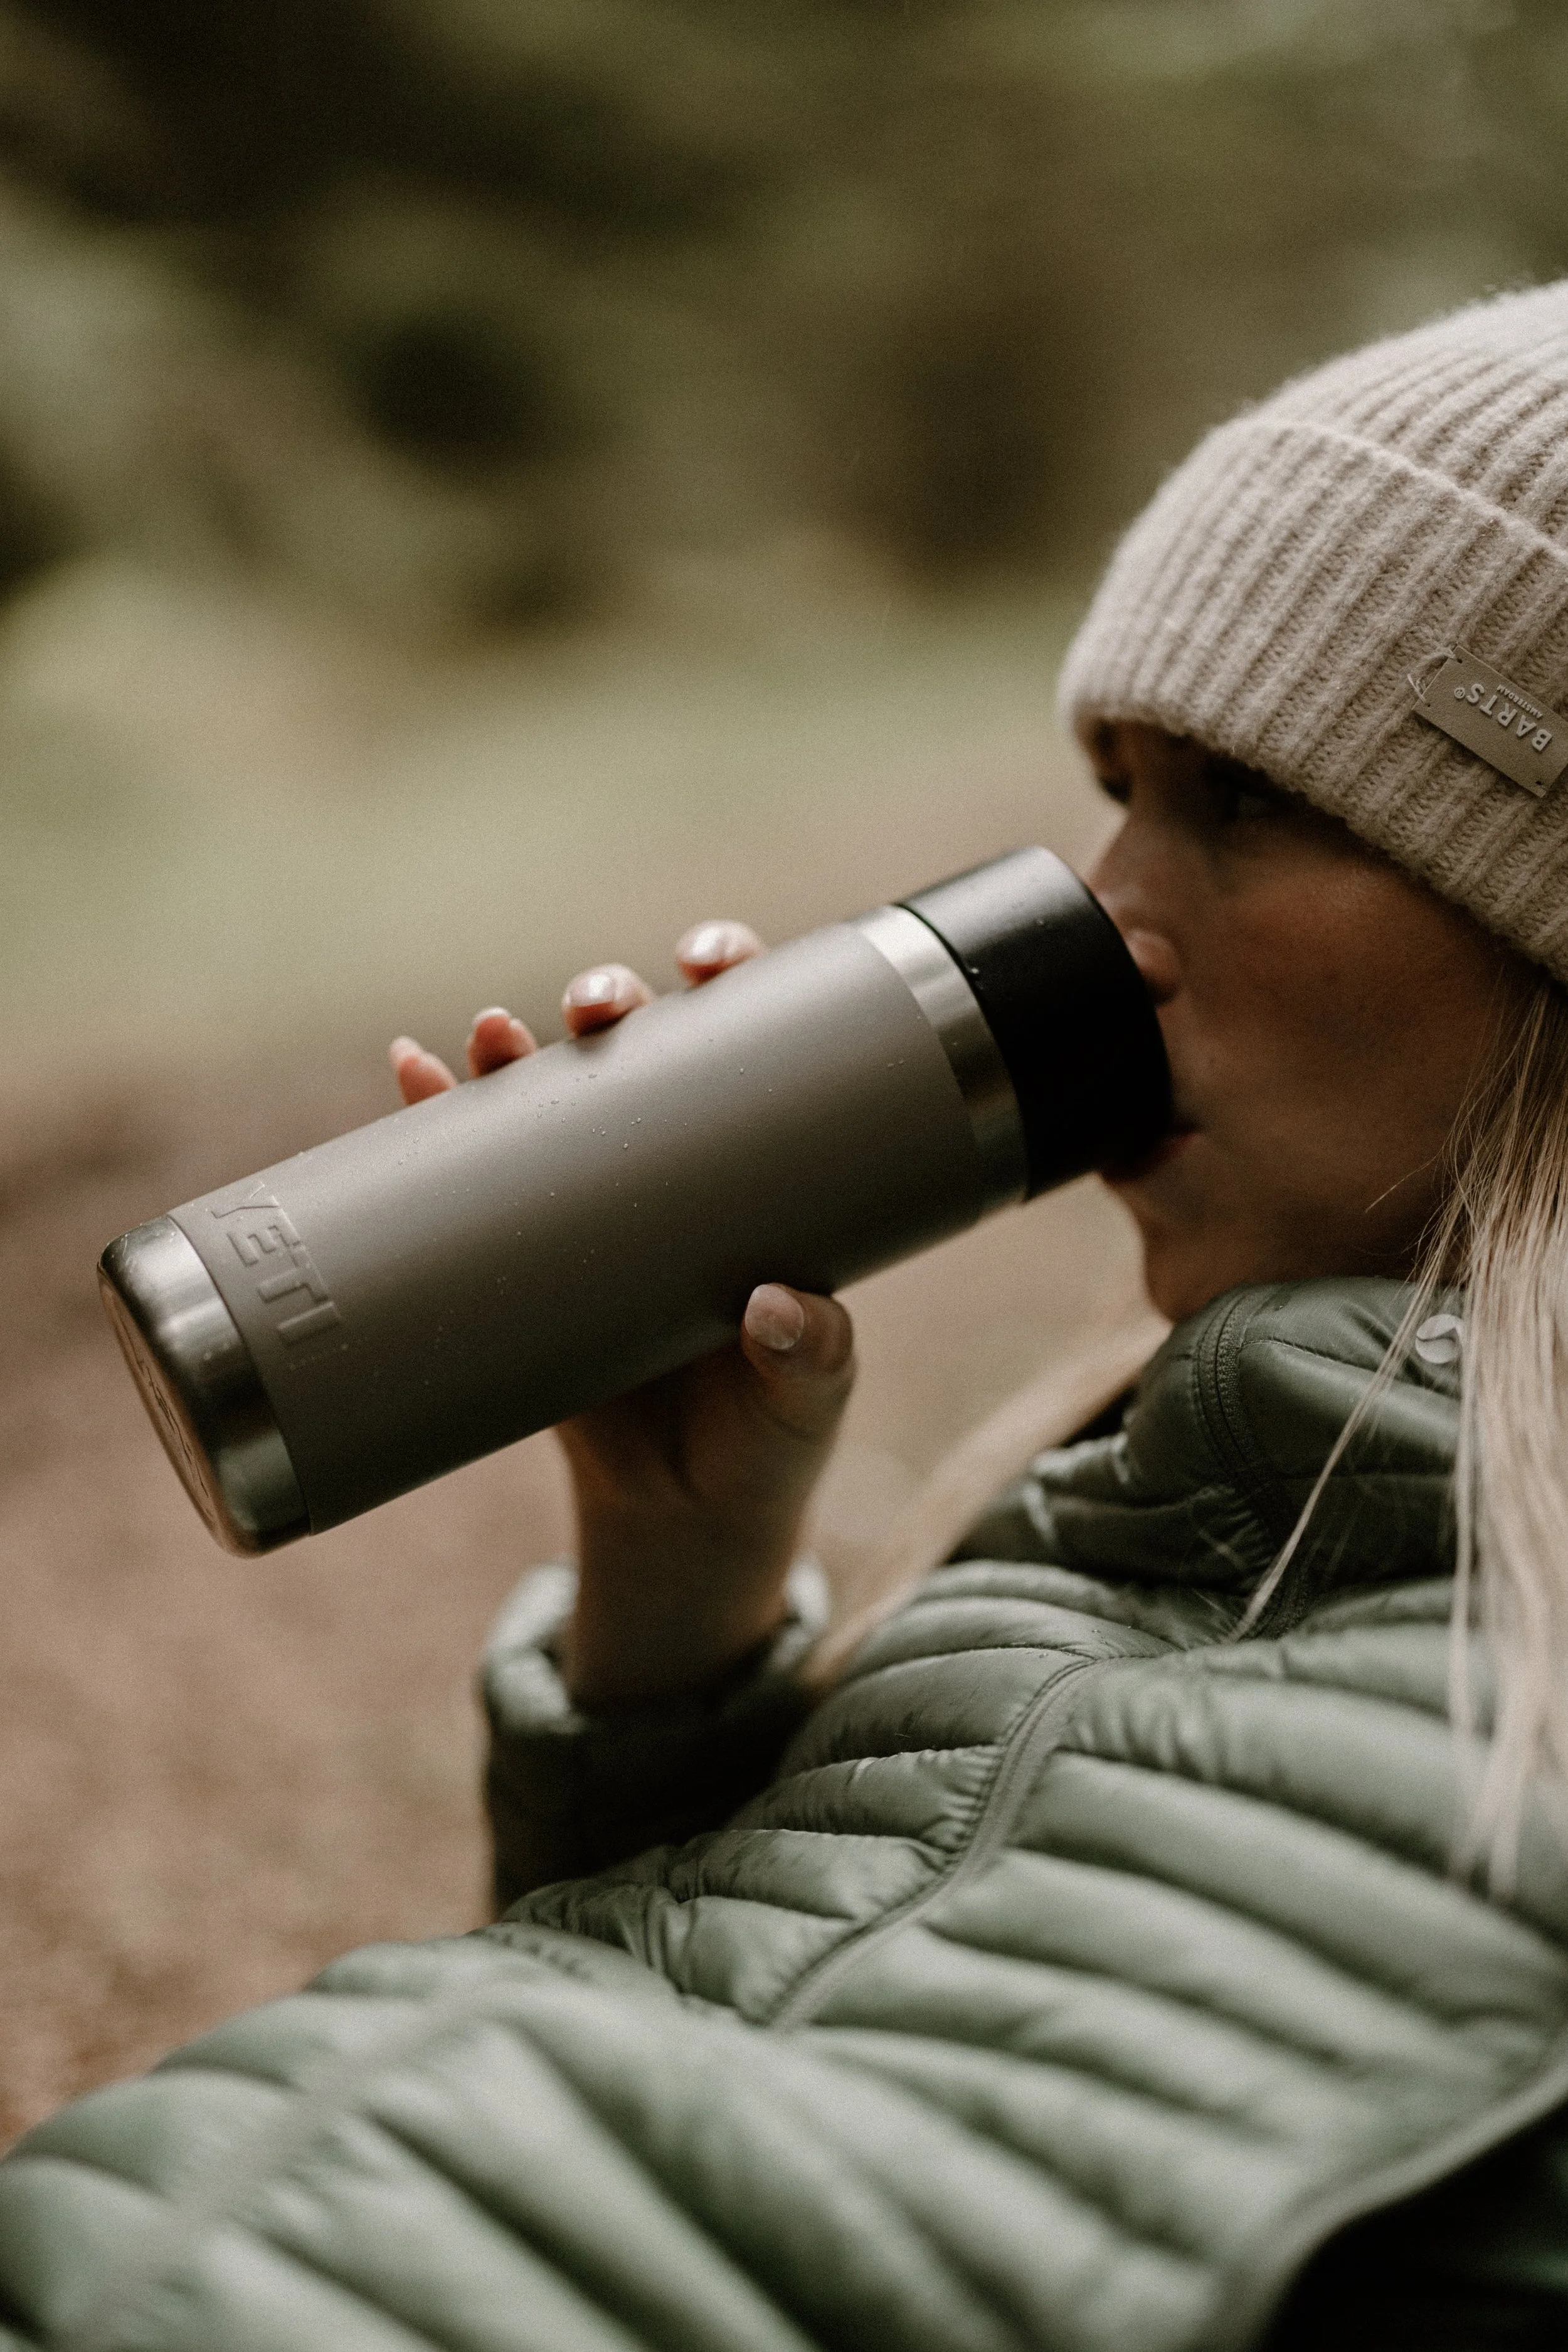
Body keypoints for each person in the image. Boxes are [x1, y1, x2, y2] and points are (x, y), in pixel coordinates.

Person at [5, 287, 1568, 2352]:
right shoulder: (1229, 1501)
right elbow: (752, 2064)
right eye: (1120, 787)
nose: (1112, 905)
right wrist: (679, 1619)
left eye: (1252, 805)